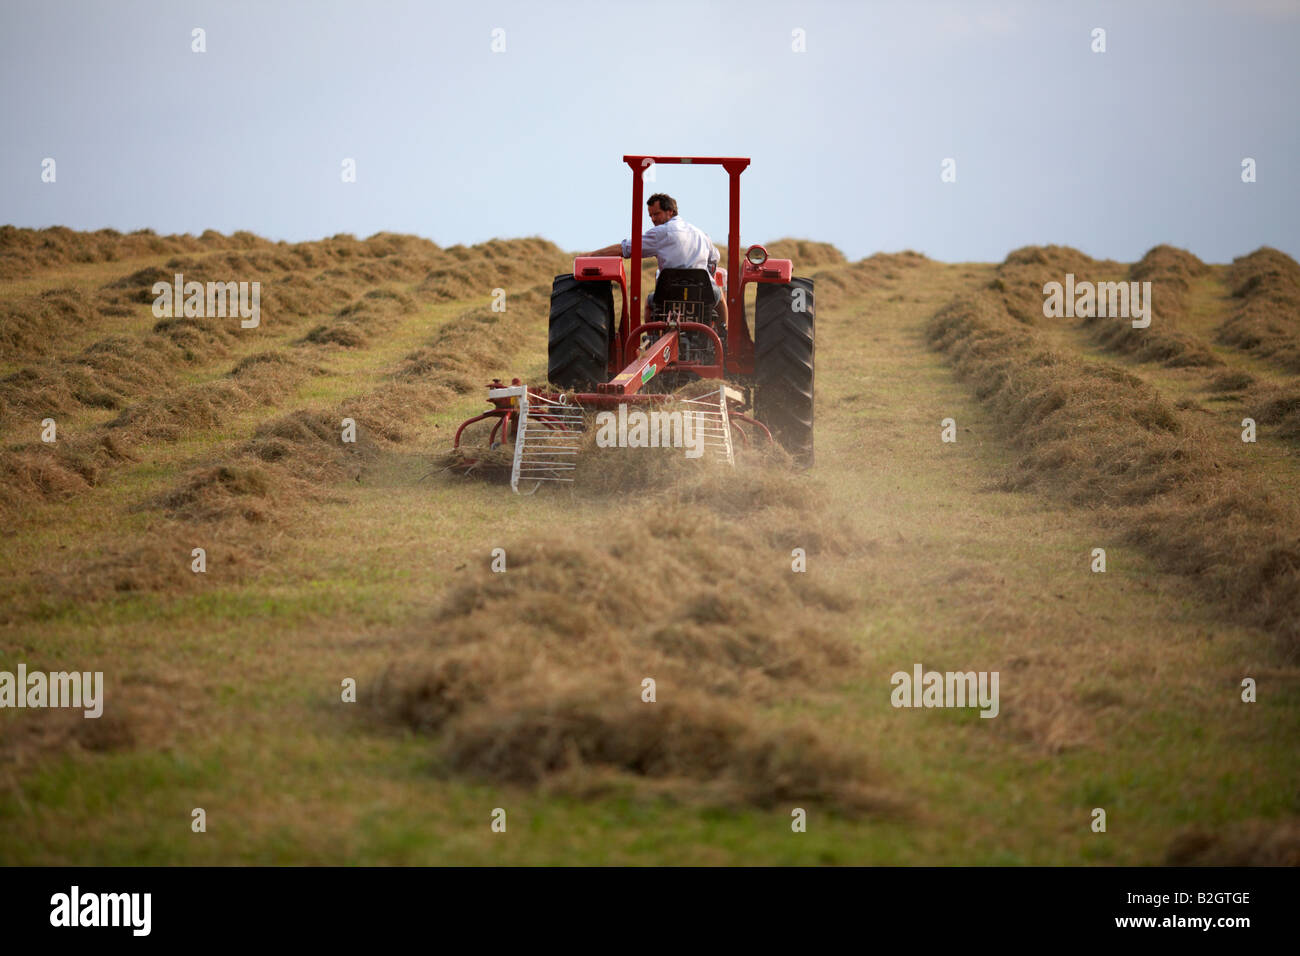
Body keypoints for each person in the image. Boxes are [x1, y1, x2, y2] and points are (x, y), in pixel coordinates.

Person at [587, 193, 727, 327]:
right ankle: (724, 334)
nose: (653, 219)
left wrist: (592, 255)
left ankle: (653, 336)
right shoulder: (701, 234)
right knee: (719, 296)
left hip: (669, 295)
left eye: (656, 214)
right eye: (651, 216)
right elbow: (714, 259)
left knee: (649, 303)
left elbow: (625, 249)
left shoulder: (660, 233)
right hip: (702, 294)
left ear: (670, 212)